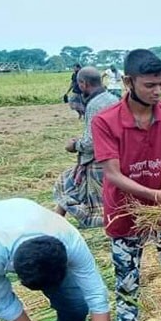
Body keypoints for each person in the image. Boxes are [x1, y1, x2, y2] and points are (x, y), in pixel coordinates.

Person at [92, 49, 161, 321]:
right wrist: (158, 196)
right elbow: (112, 174)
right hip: (123, 212)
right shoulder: (106, 120)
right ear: (127, 81)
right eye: (150, 85)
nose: (157, 90)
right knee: (126, 277)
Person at [53, 66, 119, 228]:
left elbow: (92, 142)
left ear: (82, 84)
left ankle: (55, 224)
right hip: (114, 155)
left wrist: (74, 145)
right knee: (70, 185)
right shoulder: (112, 99)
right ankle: (55, 222)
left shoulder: (95, 105)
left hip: (99, 159)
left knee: (68, 185)